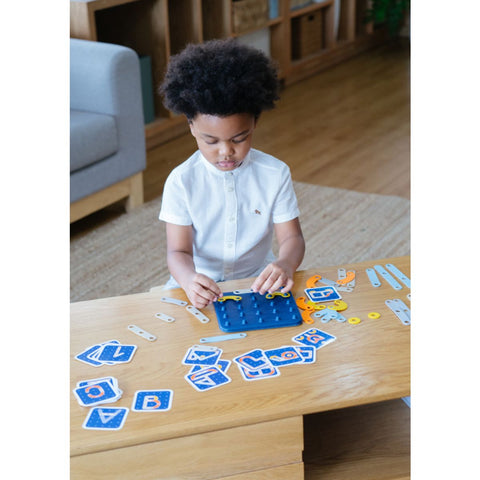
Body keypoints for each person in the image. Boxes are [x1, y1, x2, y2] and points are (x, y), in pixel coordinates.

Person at [158, 38, 305, 309]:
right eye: (210, 141)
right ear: (191, 126)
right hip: (197, 283)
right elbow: (177, 251)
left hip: (259, 281)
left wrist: (285, 263)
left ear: (255, 123)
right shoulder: (181, 181)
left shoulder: (275, 173)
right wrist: (189, 279)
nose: (225, 152)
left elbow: (292, 238)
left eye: (239, 138)